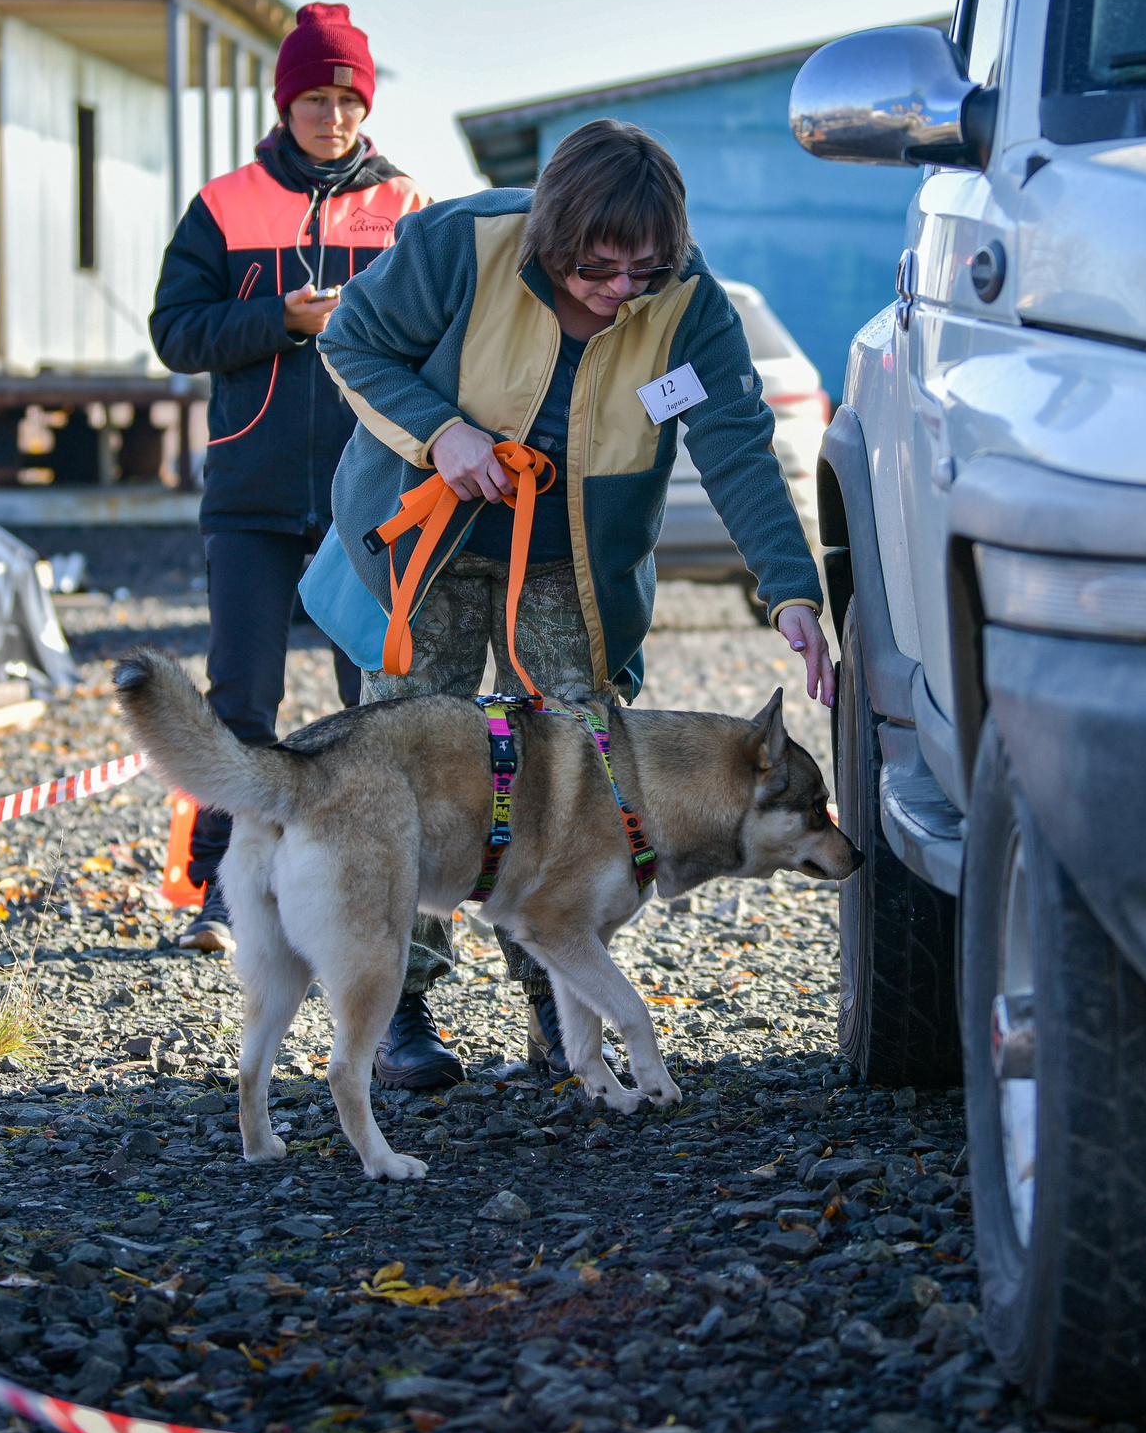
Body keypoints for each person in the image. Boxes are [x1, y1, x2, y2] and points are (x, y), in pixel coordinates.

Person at [319, 117, 832, 1086]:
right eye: (599, 271)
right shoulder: (460, 246)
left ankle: (561, 1008)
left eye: (643, 272)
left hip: (569, 574)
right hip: (428, 542)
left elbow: (735, 449)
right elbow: (354, 344)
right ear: (552, 238)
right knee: (403, 773)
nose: (620, 293)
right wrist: (442, 437)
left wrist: (790, 590)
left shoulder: (687, 306)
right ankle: (399, 1012)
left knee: (580, 775)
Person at [149, 4, 430, 966]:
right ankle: (221, 899)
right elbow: (176, 332)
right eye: (315, 97)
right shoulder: (224, 204)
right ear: (286, 101)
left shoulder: (405, 207)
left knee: (376, 706)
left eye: (349, 98)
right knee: (241, 702)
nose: (333, 115)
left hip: (372, 499)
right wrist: (279, 318)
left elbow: (443, 336)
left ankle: (371, 895)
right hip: (252, 496)